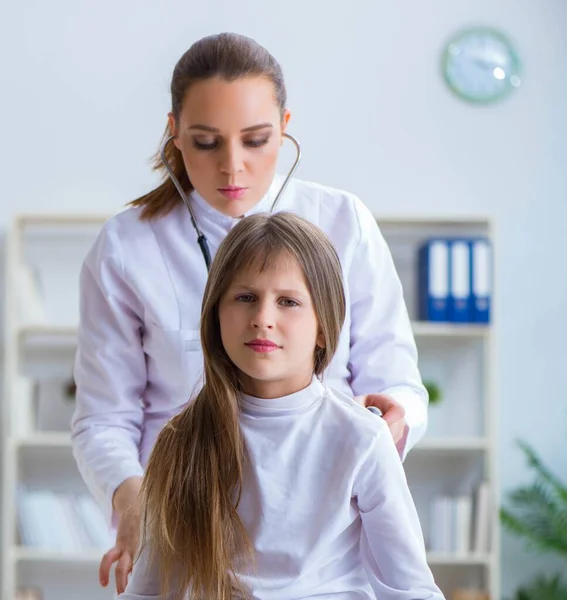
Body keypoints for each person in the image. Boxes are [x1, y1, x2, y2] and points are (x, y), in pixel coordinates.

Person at [70, 32, 429, 596]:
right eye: (206, 142)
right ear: (174, 133)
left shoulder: (343, 222)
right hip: (192, 523)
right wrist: (139, 498)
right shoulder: (126, 248)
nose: (232, 167)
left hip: (325, 535)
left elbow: (395, 381)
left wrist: (384, 429)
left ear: (285, 127)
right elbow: (103, 417)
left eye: (257, 140)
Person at [118, 211, 443, 600]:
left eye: (288, 301)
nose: (262, 318)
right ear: (216, 316)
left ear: (323, 328)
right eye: (245, 297)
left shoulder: (362, 438)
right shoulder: (180, 441)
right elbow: (149, 591)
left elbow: (411, 590)